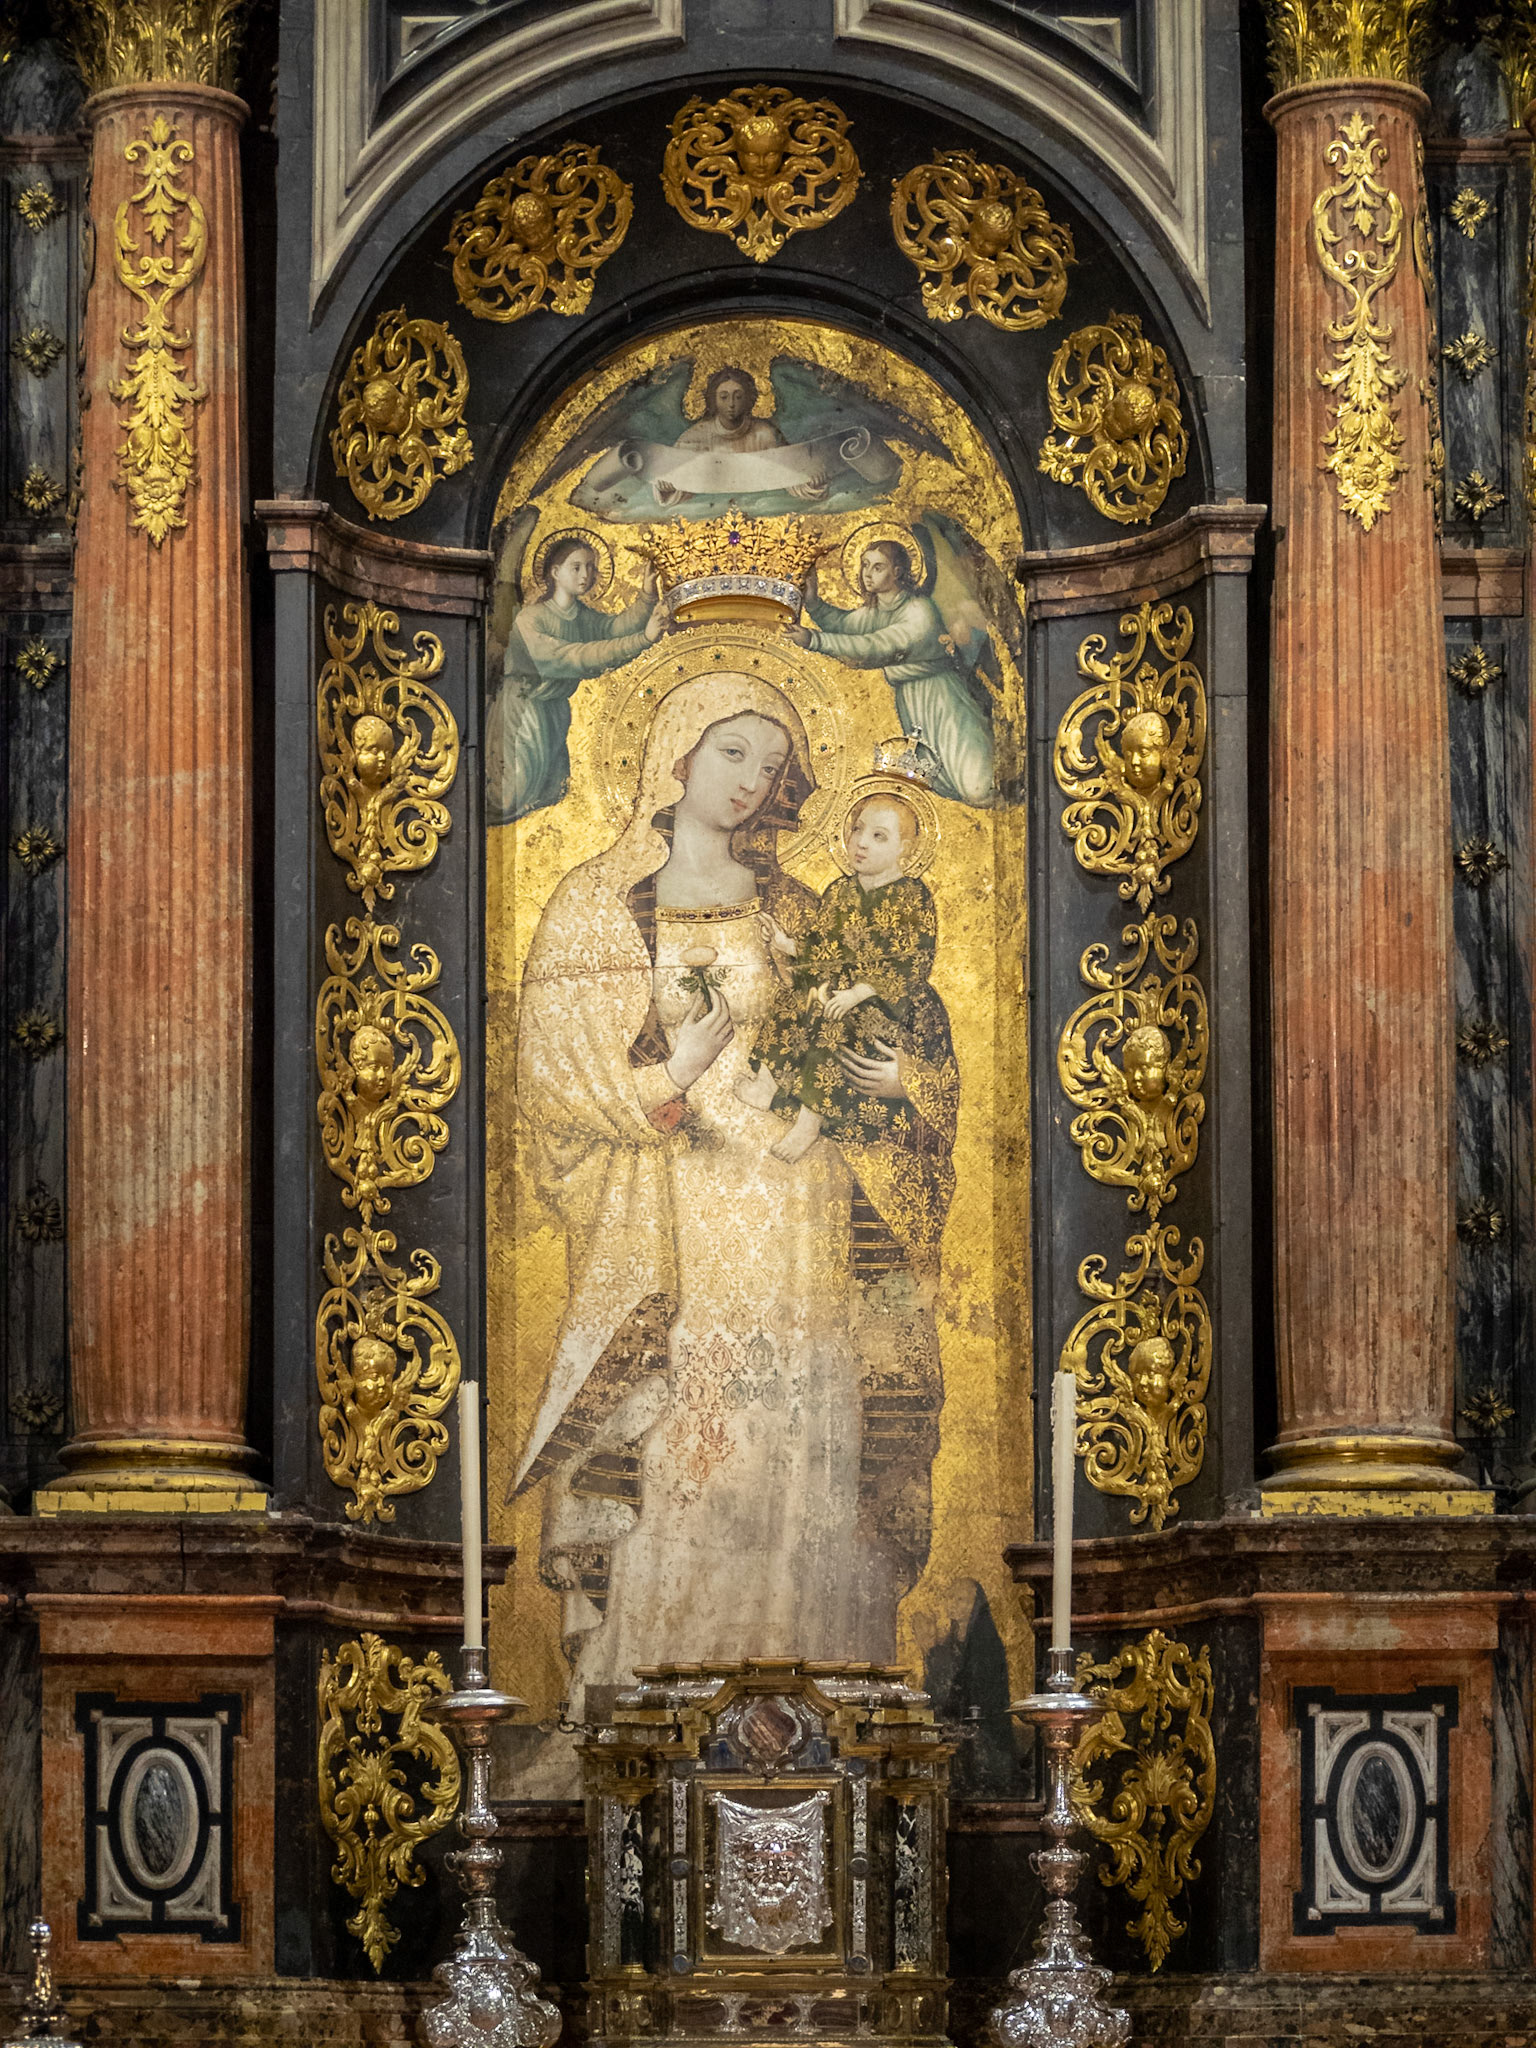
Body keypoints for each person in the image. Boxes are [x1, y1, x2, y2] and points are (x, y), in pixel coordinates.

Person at [510, 673, 953, 1765]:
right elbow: (556, 1076)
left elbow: (900, 1036)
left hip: (802, 1224)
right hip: (674, 1223)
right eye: (733, 752)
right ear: (672, 751)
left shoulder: (800, 909)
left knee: (799, 1450)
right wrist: (675, 1074)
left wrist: (903, 1081)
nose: (754, 780)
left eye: (771, 761)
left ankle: (820, 1732)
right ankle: (650, 1737)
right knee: (683, 1457)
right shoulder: (595, 904)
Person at [737, 790, 940, 1166]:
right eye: (857, 830)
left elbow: (912, 960)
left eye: (879, 836)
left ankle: (809, 1122)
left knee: (838, 1018)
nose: (860, 842)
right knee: (797, 996)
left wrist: (858, 993)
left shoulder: (912, 896)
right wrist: (785, 943)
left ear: (905, 850)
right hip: (842, 990)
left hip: (885, 1008)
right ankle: (767, 1084)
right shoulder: (840, 891)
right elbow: (822, 946)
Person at [786, 540, 995, 805]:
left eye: (878, 567)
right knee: (938, 782)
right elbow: (844, 625)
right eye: (864, 566)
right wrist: (815, 604)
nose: (868, 573)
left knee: (976, 787)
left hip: (943, 699)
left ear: (897, 572)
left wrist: (815, 640)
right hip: (911, 701)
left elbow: (875, 646)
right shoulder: (874, 612)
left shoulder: (919, 611)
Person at [487, 533, 667, 823]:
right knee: (512, 792)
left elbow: (615, 628)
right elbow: (575, 657)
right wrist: (642, 640)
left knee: (547, 791)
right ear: (555, 572)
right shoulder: (529, 620)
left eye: (591, 567)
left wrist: (646, 595)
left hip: (554, 711)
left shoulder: (582, 617)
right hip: (523, 710)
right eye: (577, 567)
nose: (587, 575)